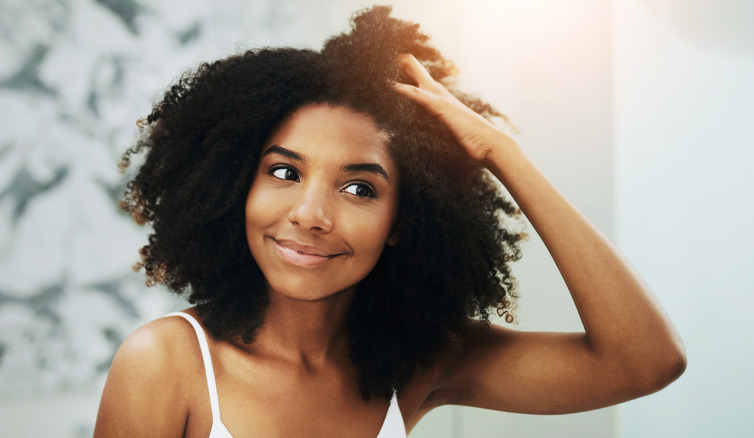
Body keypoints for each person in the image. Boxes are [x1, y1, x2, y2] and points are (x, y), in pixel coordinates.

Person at [94, 6, 685, 437]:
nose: (310, 215)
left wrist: (502, 153)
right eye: (284, 173)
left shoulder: (417, 364)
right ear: (234, 187)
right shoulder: (167, 362)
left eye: (359, 188)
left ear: (403, 220)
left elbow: (644, 362)